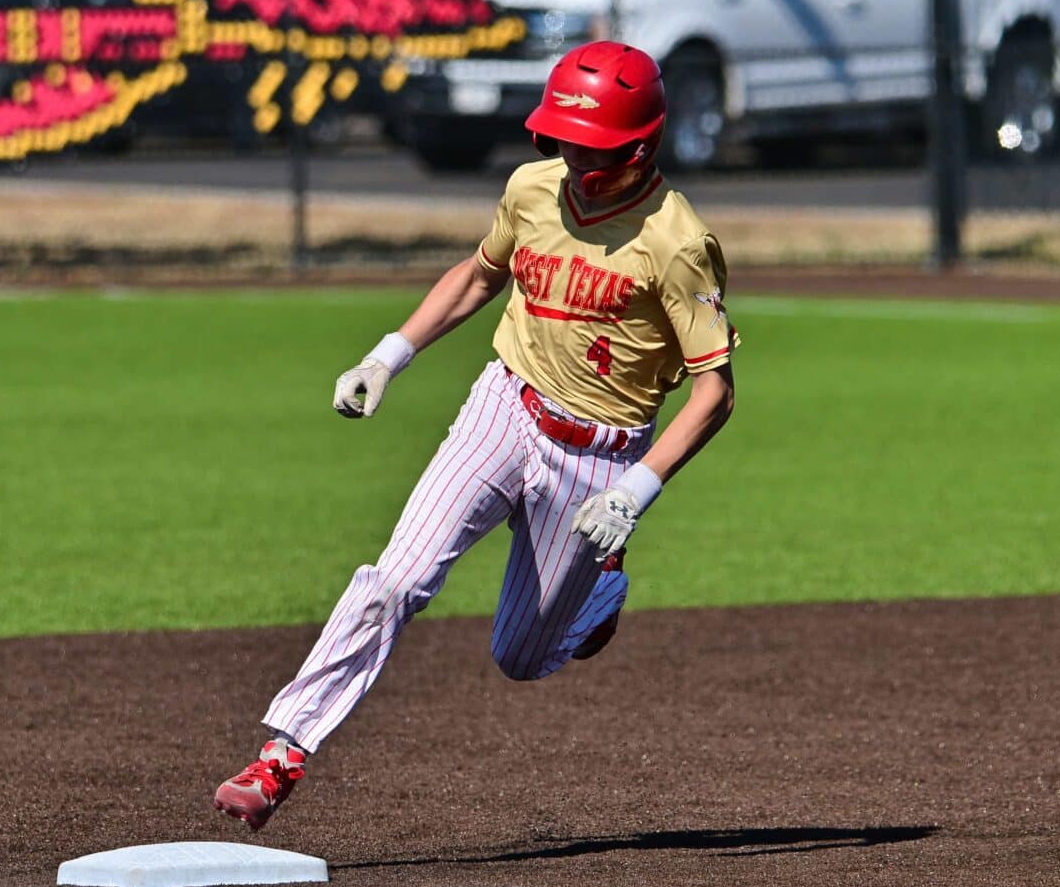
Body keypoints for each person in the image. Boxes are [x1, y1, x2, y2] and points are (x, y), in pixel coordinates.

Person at [214, 41, 739, 830]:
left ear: (638, 148)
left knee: (520, 657)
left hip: (600, 458)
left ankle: (600, 588)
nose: (569, 155)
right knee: (398, 578)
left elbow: (714, 391)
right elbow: (479, 275)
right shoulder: (532, 189)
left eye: (588, 146)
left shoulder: (676, 240)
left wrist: (636, 491)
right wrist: (388, 355)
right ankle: (282, 750)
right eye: (561, 137)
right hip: (505, 405)